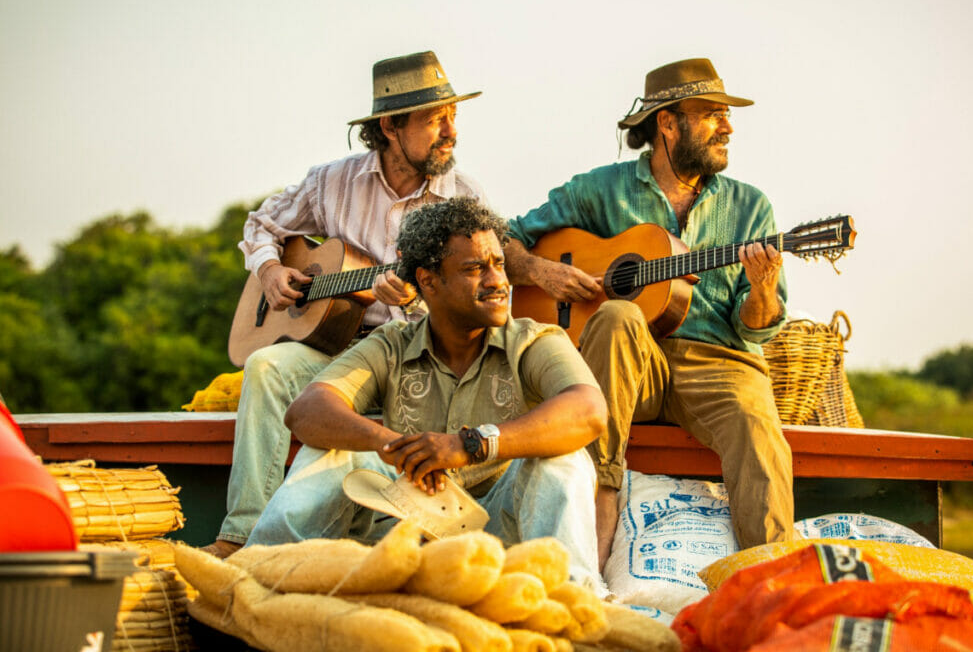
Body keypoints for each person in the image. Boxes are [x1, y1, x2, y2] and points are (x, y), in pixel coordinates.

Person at [503, 57, 795, 569]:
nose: (727, 126)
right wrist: (539, 271)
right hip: (627, 363)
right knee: (617, 316)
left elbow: (756, 330)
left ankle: (768, 581)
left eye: (726, 115)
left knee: (755, 424)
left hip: (719, 365)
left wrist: (763, 289)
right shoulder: (601, 189)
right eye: (710, 114)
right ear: (667, 122)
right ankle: (600, 496)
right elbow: (503, 240)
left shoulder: (752, 207)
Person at [203, 51, 487, 558]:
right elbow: (261, 224)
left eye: (453, 116)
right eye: (435, 119)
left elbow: (477, 295)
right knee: (266, 366)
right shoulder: (330, 181)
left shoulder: (462, 199)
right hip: (332, 347)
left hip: (410, 355)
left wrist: (418, 302)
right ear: (390, 126)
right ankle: (242, 536)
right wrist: (270, 270)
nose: (451, 130)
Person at [245, 198, 609, 591]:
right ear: (429, 281)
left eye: (499, 264)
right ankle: (259, 580)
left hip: (505, 537)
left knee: (565, 460)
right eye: (474, 269)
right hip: (408, 530)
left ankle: (576, 599)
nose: (498, 282)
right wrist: (393, 446)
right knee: (330, 452)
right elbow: (307, 411)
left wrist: (470, 444)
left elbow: (588, 411)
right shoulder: (391, 344)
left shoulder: (533, 340)